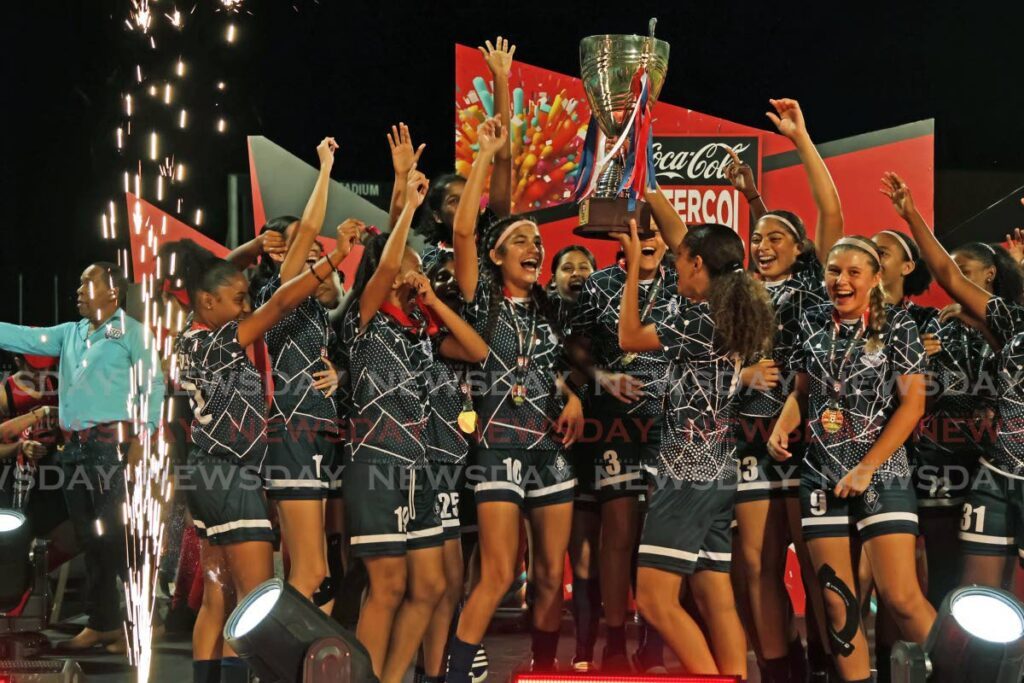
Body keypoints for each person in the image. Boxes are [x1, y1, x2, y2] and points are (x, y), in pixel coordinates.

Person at [167, 220, 361, 683]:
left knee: (219, 596)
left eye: (246, 299)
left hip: (207, 473)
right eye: (237, 301)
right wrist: (334, 258)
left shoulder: (189, 337)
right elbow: (278, 304)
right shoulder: (215, 341)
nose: (245, 307)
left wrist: (252, 248)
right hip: (230, 477)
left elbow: (224, 281)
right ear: (208, 302)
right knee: (252, 602)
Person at [446, 117, 584, 681]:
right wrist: (483, 156)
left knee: (552, 573)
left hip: (549, 446)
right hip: (497, 444)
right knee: (501, 571)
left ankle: (543, 669)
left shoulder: (550, 308)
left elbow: (548, 368)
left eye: (538, 240)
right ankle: (453, 672)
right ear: (497, 256)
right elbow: (461, 236)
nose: (535, 246)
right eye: (521, 241)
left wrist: (569, 394)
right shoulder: (482, 302)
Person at [767, 232, 936, 681]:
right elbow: (803, 392)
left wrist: (866, 468)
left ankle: (967, 673)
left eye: (853, 272)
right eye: (834, 271)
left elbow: (913, 405)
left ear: (876, 278)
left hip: (882, 474)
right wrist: (785, 422)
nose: (841, 281)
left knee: (900, 597)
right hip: (819, 476)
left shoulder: (898, 326)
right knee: (837, 603)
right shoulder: (811, 321)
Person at [342, 165, 488, 683]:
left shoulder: (420, 331)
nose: (413, 270)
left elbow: (478, 350)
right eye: (407, 263)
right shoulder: (362, 320)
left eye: (417, 264)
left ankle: (392, 676)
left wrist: (432, 302)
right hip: (376, 463)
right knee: (387, 586)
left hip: (420, 467)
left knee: (428, 586)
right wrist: (404, 203)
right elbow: (381, 269)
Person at [726, 97, 844, 682]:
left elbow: (828, 209)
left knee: (820, 565)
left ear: (801, 253)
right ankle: (780, 669)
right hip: (748, 436)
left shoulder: (815, 288)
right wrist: (752, 201)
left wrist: (800, 139)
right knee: (756, 564)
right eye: (757, 236)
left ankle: (828, 661)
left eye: (776, 237)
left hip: (803, 440)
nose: (762, 243)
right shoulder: (741, 293)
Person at [0, 263, 164, 652]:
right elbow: (25, 337)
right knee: (91, 538)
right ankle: (104, 621)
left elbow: (153, 384)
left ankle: (144, 621)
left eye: (85, 282)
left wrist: (145, 436)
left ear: (112, 290)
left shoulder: (133, 333)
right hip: (73, 449)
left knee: (118, 537)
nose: (78, 289)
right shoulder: (70, 334)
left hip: (111, 445)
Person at [880, 172, 1024, 592]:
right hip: (995, 475)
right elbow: (948, 275)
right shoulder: (1012, 320)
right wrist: (911, 216)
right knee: (975, 600)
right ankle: (967, 662)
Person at [569, 222, 673, 672]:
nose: (647, 238)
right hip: (613, 423)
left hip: (674, 422)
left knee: (658, 538)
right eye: (639, 230)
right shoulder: (599, 284)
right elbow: (575, 348)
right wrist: (603, 378)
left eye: (655, 231)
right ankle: (614, 641)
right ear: (622, 237)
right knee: (618, 534)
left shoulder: (685, 284)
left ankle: (652, 640)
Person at [255, 138, 350, 613]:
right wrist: (325, 169)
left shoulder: (314, 307)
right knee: (310, 570)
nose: (317, 255)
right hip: (292, 430)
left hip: (322, 432)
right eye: (305, 251)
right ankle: (281, 661)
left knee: (324, 571)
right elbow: (311, 224)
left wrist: (339, 373)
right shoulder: (277, 293)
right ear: (280, 258)